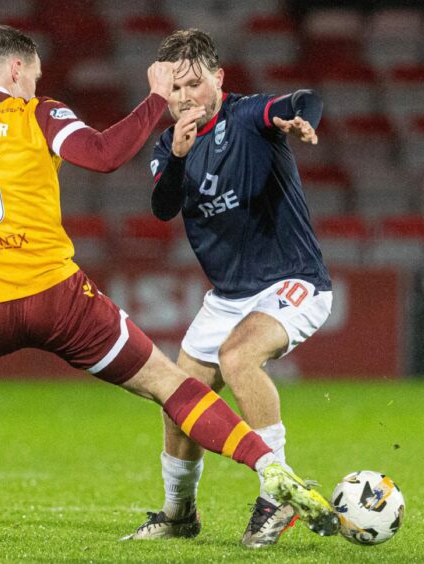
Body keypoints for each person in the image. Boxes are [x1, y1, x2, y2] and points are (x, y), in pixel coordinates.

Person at [0, 25, 332, 548]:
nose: (36, 85)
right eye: (34, 76)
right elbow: (109, 160)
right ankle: (260, 473)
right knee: (172, 387)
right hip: (61, 300)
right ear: (17, 70)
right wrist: (158, 116)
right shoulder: (37, 114)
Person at [125, 29, 337, 548]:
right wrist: (176, 155)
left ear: (219, 79)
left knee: (239, 356)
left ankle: (277, 494)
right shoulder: (167, 144)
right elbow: (162, 207)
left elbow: (298, 101)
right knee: (179, 400)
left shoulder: (247, 116)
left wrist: (302, 115)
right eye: (174, 90)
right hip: (228, 297)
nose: (185, 98)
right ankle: (179, 515)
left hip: (294, 281)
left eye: (194, 84)